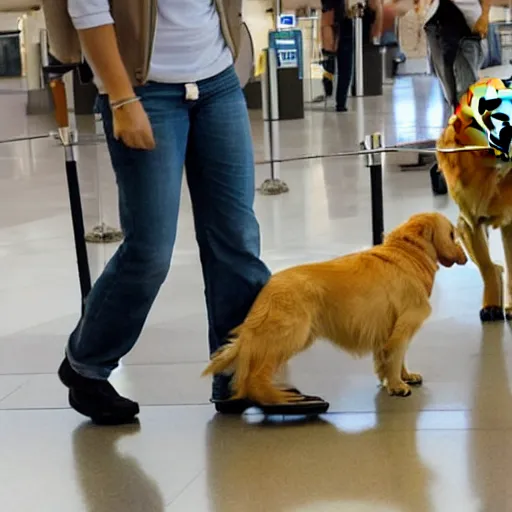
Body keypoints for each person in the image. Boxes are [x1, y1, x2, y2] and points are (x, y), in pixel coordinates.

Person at [43, 0, 329, 424]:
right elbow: (89, 11)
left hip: (217, 84)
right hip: (142, 90)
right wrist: (121, 99)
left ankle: (241, 375)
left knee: (236, 240)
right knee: (149, 250)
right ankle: (86, 364)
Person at [424, 0, 490, 194]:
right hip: (439, 26)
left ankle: (469, 167)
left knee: (465, 102)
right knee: (455, 101)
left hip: (466, 28)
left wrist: (484, 15)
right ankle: (452, 167)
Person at [320, 0, 383, 112]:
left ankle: (331, 88)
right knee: (345, 68)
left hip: (330, 25)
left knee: (332, 62)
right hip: (343, 25)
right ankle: (340, 102)